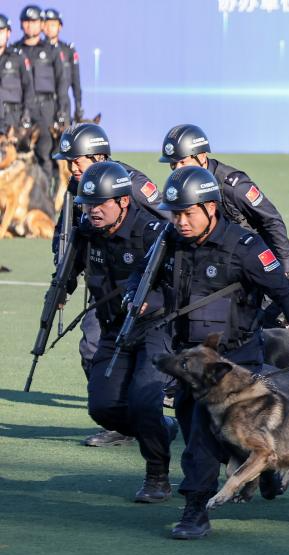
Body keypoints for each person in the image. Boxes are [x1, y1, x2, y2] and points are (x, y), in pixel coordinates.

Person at [132, 166, 289, 539]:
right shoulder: (167, 242)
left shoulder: (247, 248)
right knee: (195, 433)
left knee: (204, 438)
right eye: (175, 214)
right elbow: (147, 282)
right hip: (191, 364)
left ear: (210, 208)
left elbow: (287, 294)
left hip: (235, 365)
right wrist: (135, 297)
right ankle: (266, 467)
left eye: (188, 213)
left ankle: (195, 511)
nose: (180, 221)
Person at [65, 161, 179, 502]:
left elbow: (178, 281)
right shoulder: (88, 230)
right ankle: (163, 428)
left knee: (145, 402)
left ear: (123, 202)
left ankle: (157, 476)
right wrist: (63, 287)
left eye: (100, 204)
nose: (92, 211)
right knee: (103, 409)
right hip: (116, 327)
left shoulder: (153, 232)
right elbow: (74, 263)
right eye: (87, 204)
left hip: (156, 327)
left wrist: (153, 300)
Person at [52, 122, 166, 447]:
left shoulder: (133, 184)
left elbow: (169, 229)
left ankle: (152, 412)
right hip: (104, 284)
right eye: (69, 162)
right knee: (92, 346)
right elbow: (68, 235)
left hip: (143, 288)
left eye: (77, 160)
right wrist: (62, 282)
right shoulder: (78, 188)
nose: (72, 168)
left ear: (99, 155)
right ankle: (122, 419)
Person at [158, 124, 289, 277]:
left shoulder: (233, 186)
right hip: (212, 260)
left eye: (183, 162)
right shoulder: (180, 185)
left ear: (202, 156)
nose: (177, 168)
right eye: (173, 164)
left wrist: (285, 268)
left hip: (247, 258)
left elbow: (271, 220)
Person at [11, 4, 67, 166]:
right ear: (21, 24)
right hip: (21, 110)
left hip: (47, 108)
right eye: (26, 21)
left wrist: (61, 111)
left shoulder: (52, 50)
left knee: (46, 155)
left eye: (34, 21)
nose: (30, 25)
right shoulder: (15, 51)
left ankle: (46, 192)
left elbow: (61, 83)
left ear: (42, 24)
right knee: (19, 155)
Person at [41, 8, 82, 123]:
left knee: (64, 138)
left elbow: (76, 81)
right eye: (46, 24)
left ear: (60, 27)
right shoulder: (37, 51)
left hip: (63, 102)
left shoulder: (68, 50)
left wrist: (78, 105)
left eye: (53, 24)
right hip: (42, 104)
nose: (49, 28)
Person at [0, 13, 33, 131]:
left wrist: (26, 112)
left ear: (8, 33)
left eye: (1, 31)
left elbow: (28, 87)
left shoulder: (18, 57)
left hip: (13, 116)